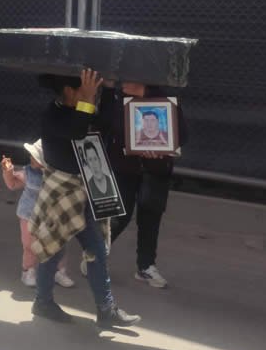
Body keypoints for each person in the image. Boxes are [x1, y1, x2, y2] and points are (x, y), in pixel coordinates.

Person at [29, 70, 140, 329]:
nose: (92, 93)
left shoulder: (81, 110)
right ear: (69, 91)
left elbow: (106, 124)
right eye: (85, 88)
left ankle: (105, 309)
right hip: (62, 192)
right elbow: (78, 131)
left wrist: (109, 90)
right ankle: (43, 302)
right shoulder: (53, 114)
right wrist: (88, 100)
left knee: (96, 251)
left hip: (85, 191)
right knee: (54, 249)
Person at [102, 82, 186, 289]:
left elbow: (182, 134)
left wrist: (149, 93)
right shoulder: (114, 94)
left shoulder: (165, 96)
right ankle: (95, 254)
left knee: (151, 216)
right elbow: (106, 125)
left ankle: (146, 266)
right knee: (119, 215)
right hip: (124, 167)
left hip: (157, 169)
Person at [1, 140, 74, 288]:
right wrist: (8, 171)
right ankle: (28, 271)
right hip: (29, 215)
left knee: (59, 244)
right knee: (29, 245)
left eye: (35, 156)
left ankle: (59, 271)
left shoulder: (58, 175)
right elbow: (13, 184)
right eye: (31, 155)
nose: (31, 158)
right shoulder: (28, 172)